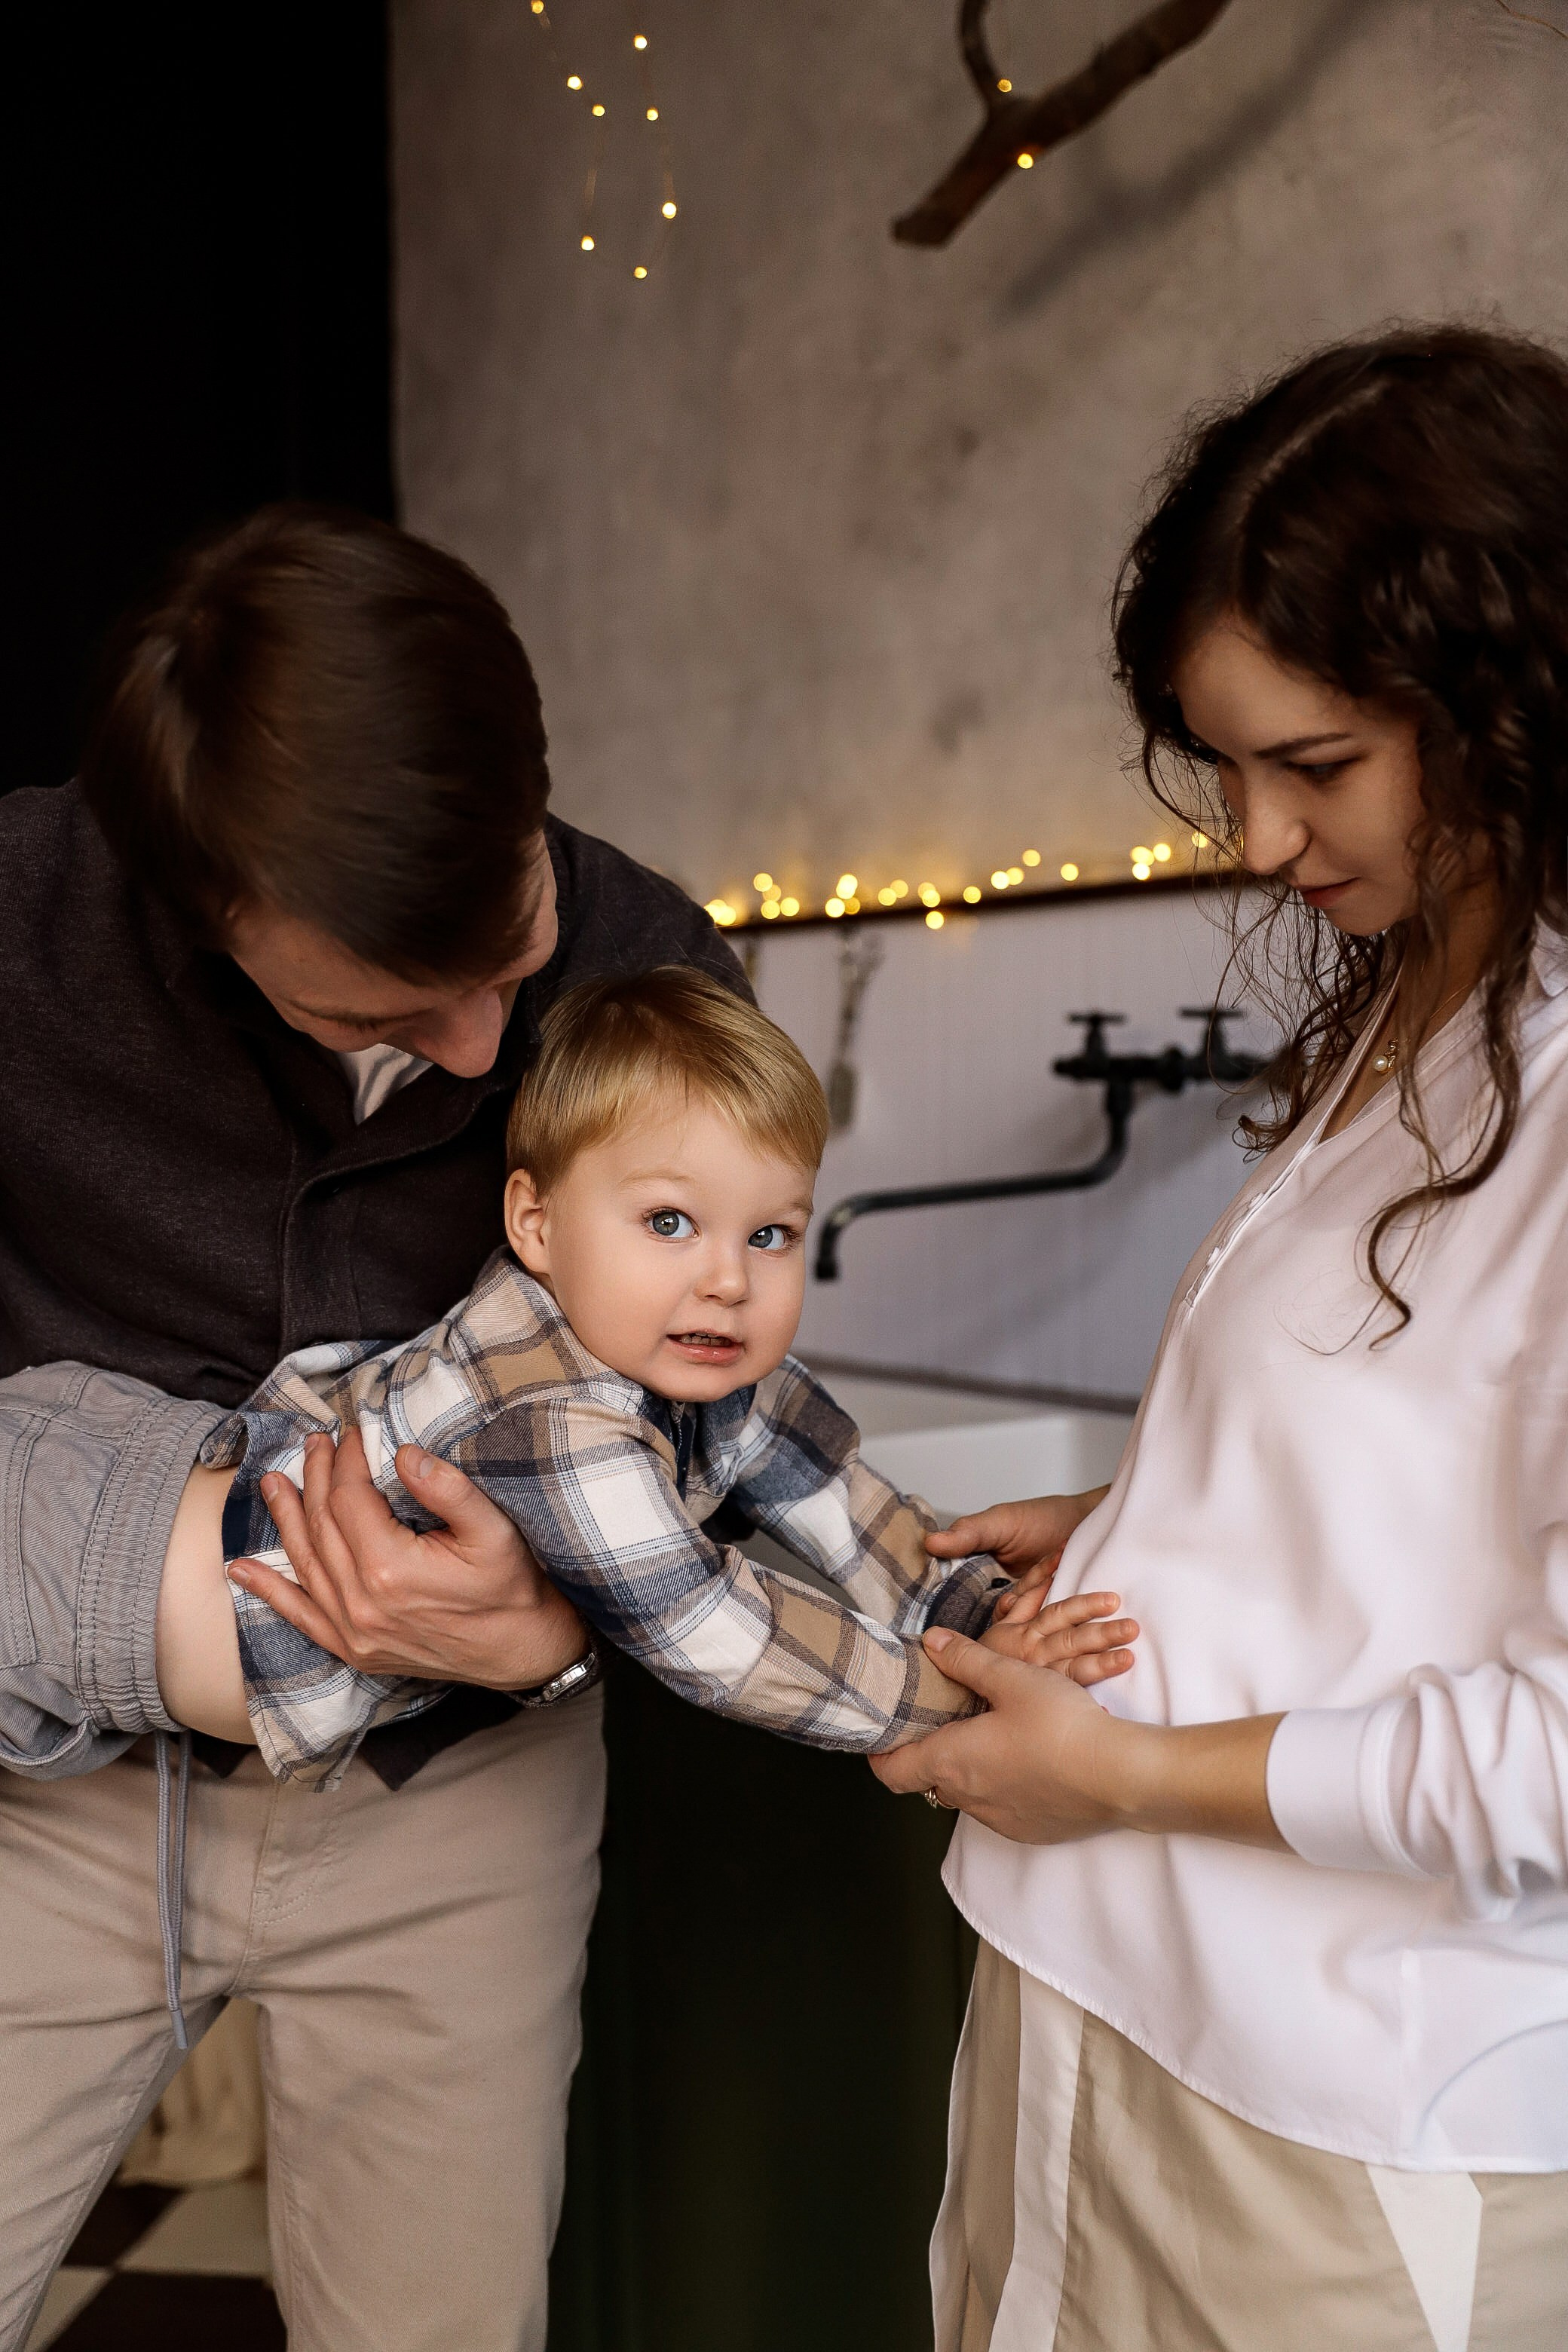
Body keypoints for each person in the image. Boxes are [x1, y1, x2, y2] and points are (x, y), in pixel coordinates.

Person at [872, 325, 1568, 2349]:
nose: (1256, 839)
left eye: (1318, 765)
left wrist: (1133, 1769)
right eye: (1229, 766)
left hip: (1344, 2119)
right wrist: (1148, 1515)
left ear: (1516, 703)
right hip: (1088, 1993)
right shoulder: (1426, 1000)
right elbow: (1425, 1462)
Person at [0, 504, 741, 2352]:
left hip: (458, 1806)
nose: (493, 1051)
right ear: (197, 912)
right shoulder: (17, 926)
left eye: (509, 946)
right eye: (396, 1009)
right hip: (50, 1801)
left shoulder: (657, 965)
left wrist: (562, 1627)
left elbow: (714, 1399)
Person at [2, 966, 1136, 1832]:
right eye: (669, 1223)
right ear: (535, 1226)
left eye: (772, 1232)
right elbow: (713, 1633)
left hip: (133, 1527)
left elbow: (856, 1508)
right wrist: (963, 1708)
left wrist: (985, 1618)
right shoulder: (560, 1426)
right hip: (85, 1556)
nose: (728, 1277)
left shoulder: (711, 1369)